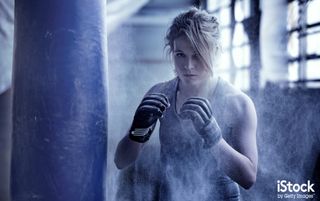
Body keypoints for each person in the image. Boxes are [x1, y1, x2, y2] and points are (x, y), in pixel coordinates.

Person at [114, 7, 258, 201]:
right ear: (171, 52)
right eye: (180, 54)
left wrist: (214, 137)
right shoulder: (160, 94)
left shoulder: (237, 103)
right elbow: (121, 161)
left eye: (197, 55)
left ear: (215, 51)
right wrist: (137, 131)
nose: (188, 65)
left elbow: (249, 178)